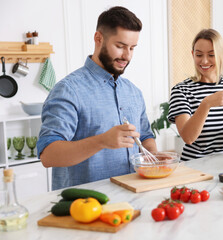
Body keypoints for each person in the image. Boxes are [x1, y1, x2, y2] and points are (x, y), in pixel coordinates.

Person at [37, 6, 157, 190]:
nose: (127, 56)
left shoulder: (133, 92)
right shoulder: (68, 90)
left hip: (132, 200)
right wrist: (102, 141)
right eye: (120, 46)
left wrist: (154, 156)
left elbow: (146, 136)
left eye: (132, 48)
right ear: (98, 38)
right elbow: (48, 155)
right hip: (83, 208)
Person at [168, 29, 223, 161]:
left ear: (221, 55)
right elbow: (188, 138)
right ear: (193, 54)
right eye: (199, 55)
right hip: (195, 169)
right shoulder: (181, 90)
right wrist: (207, 103)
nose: (204, 61)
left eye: (211, 55)